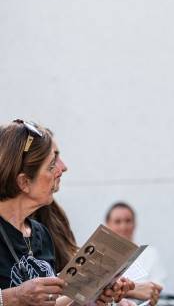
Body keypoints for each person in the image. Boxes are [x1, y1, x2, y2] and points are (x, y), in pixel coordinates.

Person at [0, 119, 132, 306]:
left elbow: (51, 303)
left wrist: (93, 291)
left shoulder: (41, 233)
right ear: (24, 182)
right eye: (51, 165)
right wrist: (13, 297)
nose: (61, 169)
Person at [105, 202, 165, 306]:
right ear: (108, 225)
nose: (123, 227)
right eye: (117, 221)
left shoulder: (150, 254)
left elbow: (156, 289)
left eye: (128, 221)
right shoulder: (99, 256)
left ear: (134, 224)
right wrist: (132, 291)